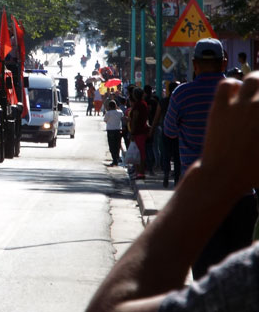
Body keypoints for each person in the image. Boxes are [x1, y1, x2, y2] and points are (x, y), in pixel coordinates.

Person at [86, 73, 259, 312]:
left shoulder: (182, 95)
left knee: (205, 270)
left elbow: (110, 307)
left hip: (211, 198)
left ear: (196, 65)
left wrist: (212, 174)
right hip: (245, 202)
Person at [164, 38, 258, 280]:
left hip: (198, 199)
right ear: (224, 62)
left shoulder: (181, 95)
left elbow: (169, 131)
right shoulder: (242, 91)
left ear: (194, 64)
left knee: (205, 278)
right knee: (240, 277)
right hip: (241, 197)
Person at [129, 87, 150, 180]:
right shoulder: (144, 104)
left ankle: (140, 172)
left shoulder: (138, 105)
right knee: (139, 152)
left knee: (139, 153)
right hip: (142, 130)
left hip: (138, 131)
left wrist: (132, 132)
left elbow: (135, 119)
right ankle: (138, 172)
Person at [103, 100, 123, 167]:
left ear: (109, 106)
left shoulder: (108, 113)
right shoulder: (120, 112)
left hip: (110, 131)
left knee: (112, 146)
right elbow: (122, 119)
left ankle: (114, 160)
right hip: (118, 131)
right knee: (117, 145)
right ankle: (116, 159)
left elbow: (105, 120)